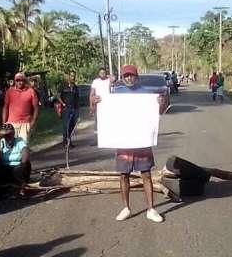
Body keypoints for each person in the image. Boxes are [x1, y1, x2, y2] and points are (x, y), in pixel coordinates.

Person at [96, 64, 164, 223]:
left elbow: (157, 113)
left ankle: (151, 209)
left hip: (142, 142)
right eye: (126, 76)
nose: (128, 78)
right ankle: (126, 207)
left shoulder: (146, 93)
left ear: (136, 77)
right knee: (124, 175)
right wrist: (97, 101)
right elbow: (102, 111)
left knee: (146, 174)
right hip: (124, 141)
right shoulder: (115, 93)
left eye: (131, 75)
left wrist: (159, 104)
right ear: (123, 77)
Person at [0, 123, 31, 196]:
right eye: (6, 135)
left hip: (18, 168)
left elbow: (25, 151)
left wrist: (22, 163)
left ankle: (22, 187)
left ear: (13, 134)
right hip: (6, 169)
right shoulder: (0, 142)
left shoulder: (19, 140)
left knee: (25, 164)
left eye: (10, 134)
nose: (8, 137)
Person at [3, 72, 39, 145]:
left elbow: (36, 108)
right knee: (11, 147)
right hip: (11, 124)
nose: (20, 82)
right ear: (14, 81)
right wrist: (4, 123)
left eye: (21, 80)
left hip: (25, 124)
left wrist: (33, 122)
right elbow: (5, 107)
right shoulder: (10, 91)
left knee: (23, 147)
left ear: (25, 80)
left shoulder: (31, 91)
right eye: (17, 80)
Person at [58, 72, 80, 147]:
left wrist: (77, 109)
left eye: (74, 76)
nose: (73, 77)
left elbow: (77, 99)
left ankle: (69, 142)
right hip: (66, 108)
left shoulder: (75, 87)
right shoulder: (63, 86)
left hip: (74, 108)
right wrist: (63, 103)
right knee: (66, 126)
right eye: (71, 76)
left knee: (72, 126)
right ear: (68, 77)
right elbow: (58, 96)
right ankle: (65, 142)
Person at [90, 67, 112, 135]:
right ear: (98, 74)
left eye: (104, 73)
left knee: (108, 121)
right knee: (98, 121)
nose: (102, 74)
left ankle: (107, 136)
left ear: (106, 73)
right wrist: (91, 106)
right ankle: (97, 139)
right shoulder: (95, 81)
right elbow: (91, 94)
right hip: (98, 104)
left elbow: (114, 78)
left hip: (108, 104)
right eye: (101, 73)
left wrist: (109, 76)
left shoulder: (109, 80)